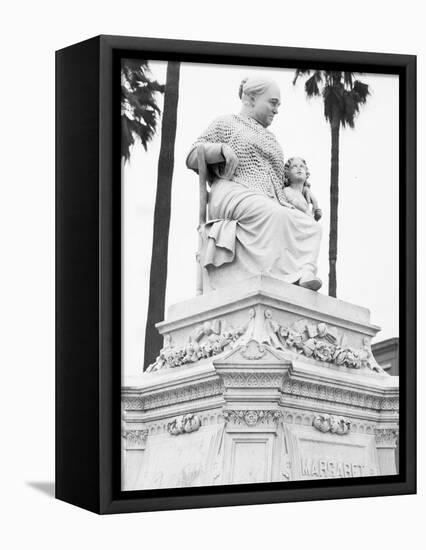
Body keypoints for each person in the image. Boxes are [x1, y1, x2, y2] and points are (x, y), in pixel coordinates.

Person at [186, 76, 322, 292]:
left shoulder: (272, 138)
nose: (276, 110)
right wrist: (220, 149)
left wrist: (302, 191)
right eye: (273, 102)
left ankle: (302, 273)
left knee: (312, 227)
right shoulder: (227, 123)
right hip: (234, 190)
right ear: (251, 98)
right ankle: (278, 277)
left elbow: (280, 183)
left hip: (271, 199)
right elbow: (193, 156)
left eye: (278, 105)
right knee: (274, 214)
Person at [283, 157, 322, 221]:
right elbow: (295, 204)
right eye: (294, 166)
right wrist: (309, 214)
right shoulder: (287, 190)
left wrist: (316, 218)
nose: (299, 168)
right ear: (287, 174)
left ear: (306, 174)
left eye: (302, 166)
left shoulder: (303, 196)